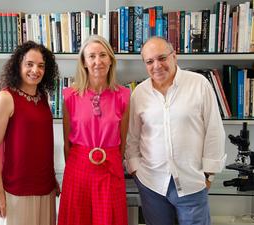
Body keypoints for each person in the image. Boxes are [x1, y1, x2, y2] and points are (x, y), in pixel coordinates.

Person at [125, 37, 227, 225]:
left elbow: (214, 131)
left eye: (162, 58)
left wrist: (209, 175)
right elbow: (132, 137)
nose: (157, 65)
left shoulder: (199, 84)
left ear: (174, 56)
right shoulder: (139, 93)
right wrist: (136, 170)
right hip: (151, 184)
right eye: (149, 61)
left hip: (192, 182)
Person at [57, 35, 130, 225]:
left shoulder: (124, 95)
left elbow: (123, 141)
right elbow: (67, 144)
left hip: (110, 169)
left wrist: (110, 158)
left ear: (111, 60)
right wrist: (77, 165)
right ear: (84, 62)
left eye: (103, 55)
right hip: (77, 169)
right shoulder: (70, 96)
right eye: (92, 56)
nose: (98, 61)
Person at [0, 41, 60, 225]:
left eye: (41, 66)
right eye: (29, 64)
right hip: (15, 190)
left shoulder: (43, 97)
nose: (35, 70)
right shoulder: (5, 97)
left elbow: (43, 143)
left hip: (46, 188)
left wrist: (52, 179)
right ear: (18, 64)